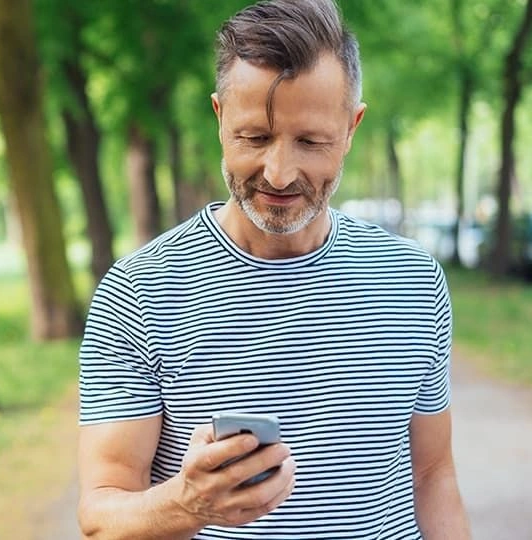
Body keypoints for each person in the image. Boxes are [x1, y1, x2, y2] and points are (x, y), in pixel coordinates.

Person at [76, 1, 471, 538]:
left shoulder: (415, 279)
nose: (279, 173)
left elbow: (432, 474)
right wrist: (187, 504)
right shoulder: (139, 291)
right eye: (255, 138)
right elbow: (101, 514)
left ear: (352, 127)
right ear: (219, 118)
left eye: (311, 141)